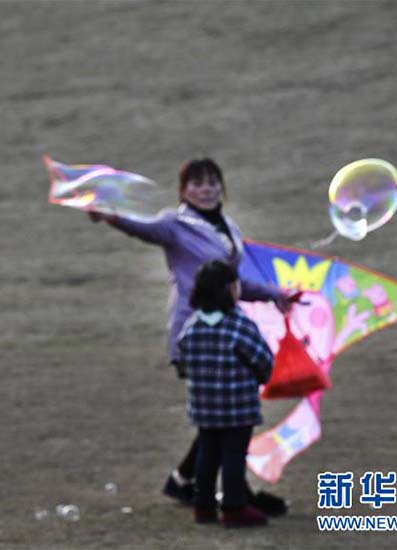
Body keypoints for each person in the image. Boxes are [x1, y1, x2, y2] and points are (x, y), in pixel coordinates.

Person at [89, 158, 289, 515]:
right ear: (183, 191)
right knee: (225, 415)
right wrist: (111, 216)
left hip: (226, 329)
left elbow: (234, 283)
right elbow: (143, 229)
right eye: (197, 184)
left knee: (220, 414)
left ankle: (192, 483)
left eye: (212, 182)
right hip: (198, 332)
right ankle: (233, 495)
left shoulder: (228, 226)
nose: (206, 189)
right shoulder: (174, 224)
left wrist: (274, 294)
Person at [178, 260, 273, 527]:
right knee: (233, 456)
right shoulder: (240, 326)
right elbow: (263, 360)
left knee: (206, 456)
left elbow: (184, 364)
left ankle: (204, 507)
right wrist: (260, 378)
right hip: (237, 408)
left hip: (205, 409)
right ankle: (234, 507)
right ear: (229, 290)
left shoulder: (192, 328)